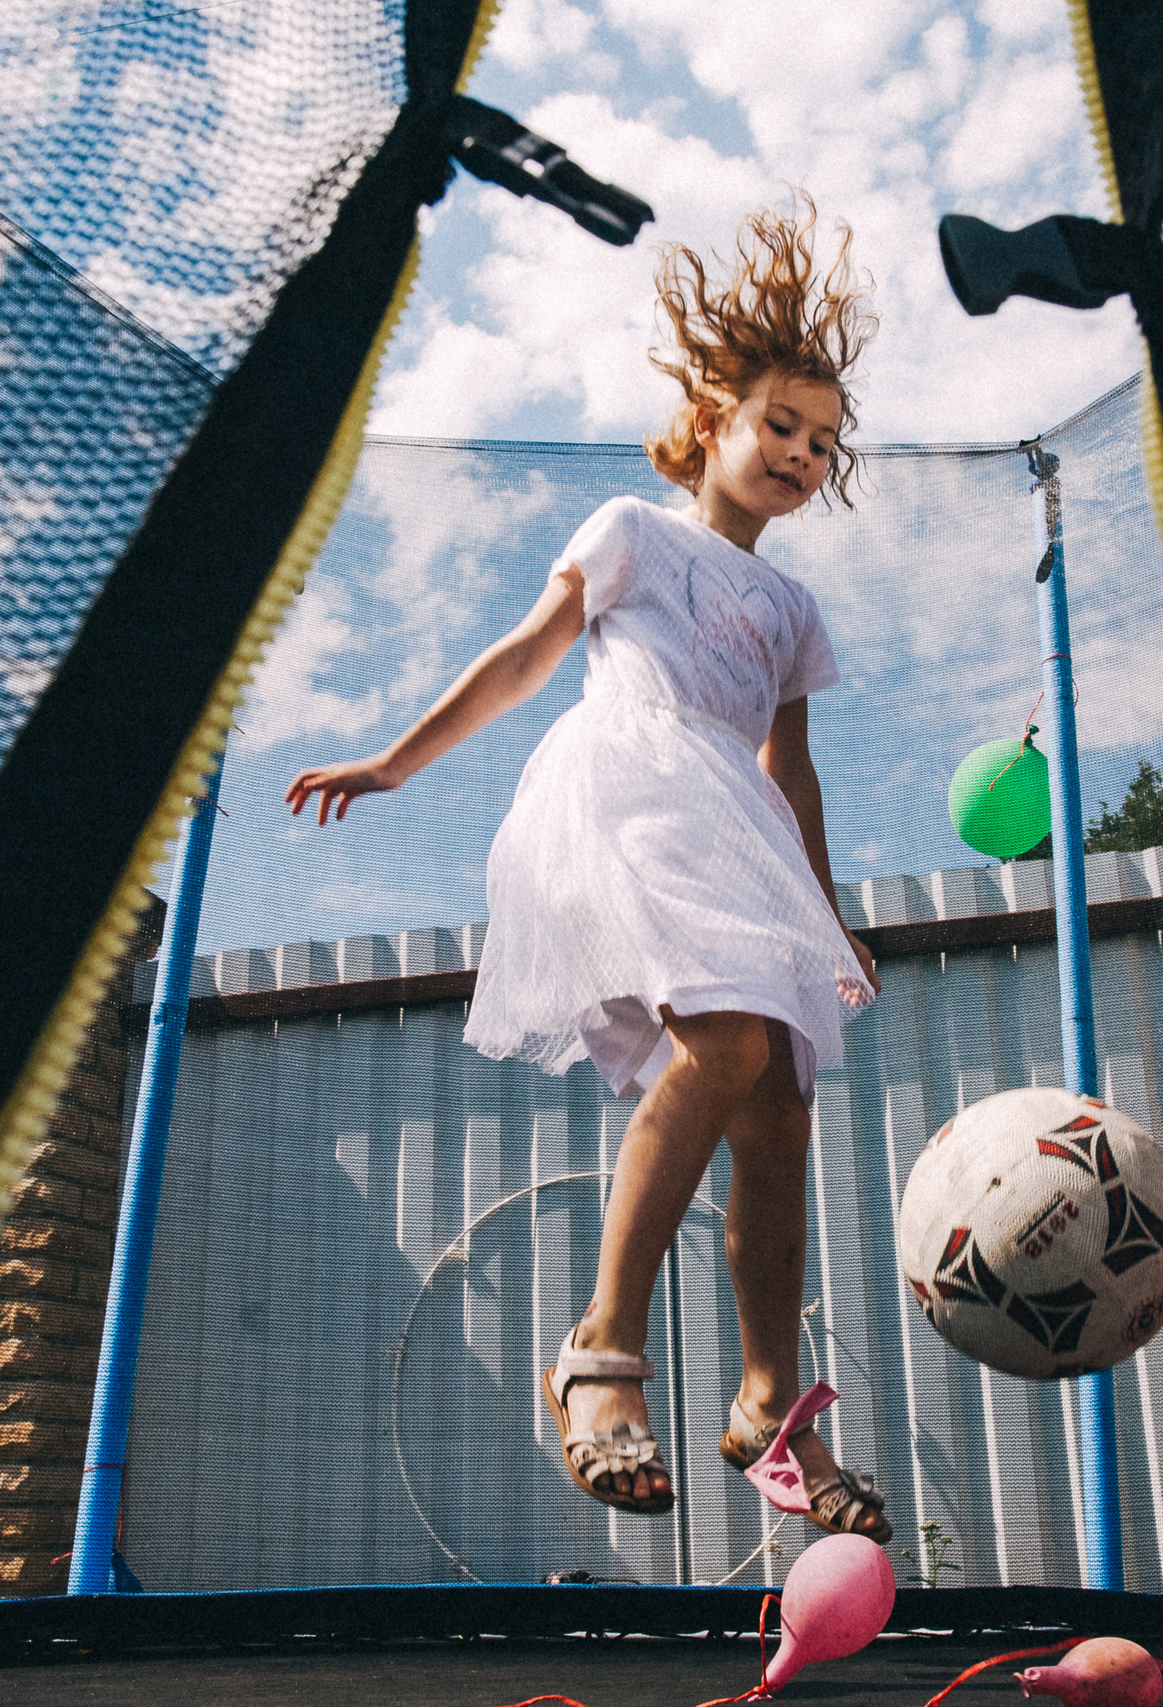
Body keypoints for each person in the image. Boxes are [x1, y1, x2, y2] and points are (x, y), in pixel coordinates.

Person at [285, 201, 890, 1542]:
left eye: (823, 443)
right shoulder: (633, 529)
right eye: (781, 424)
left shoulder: (794, 614)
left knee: (779, 1108)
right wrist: (394, 763)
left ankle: (769, 1409)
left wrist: (829, 918)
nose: (800, 453)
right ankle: (601, 1350)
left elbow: (793, 777)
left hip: (738, 829)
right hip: (632, 791)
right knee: (724, 1040)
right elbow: (524, 655)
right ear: (717, 419)